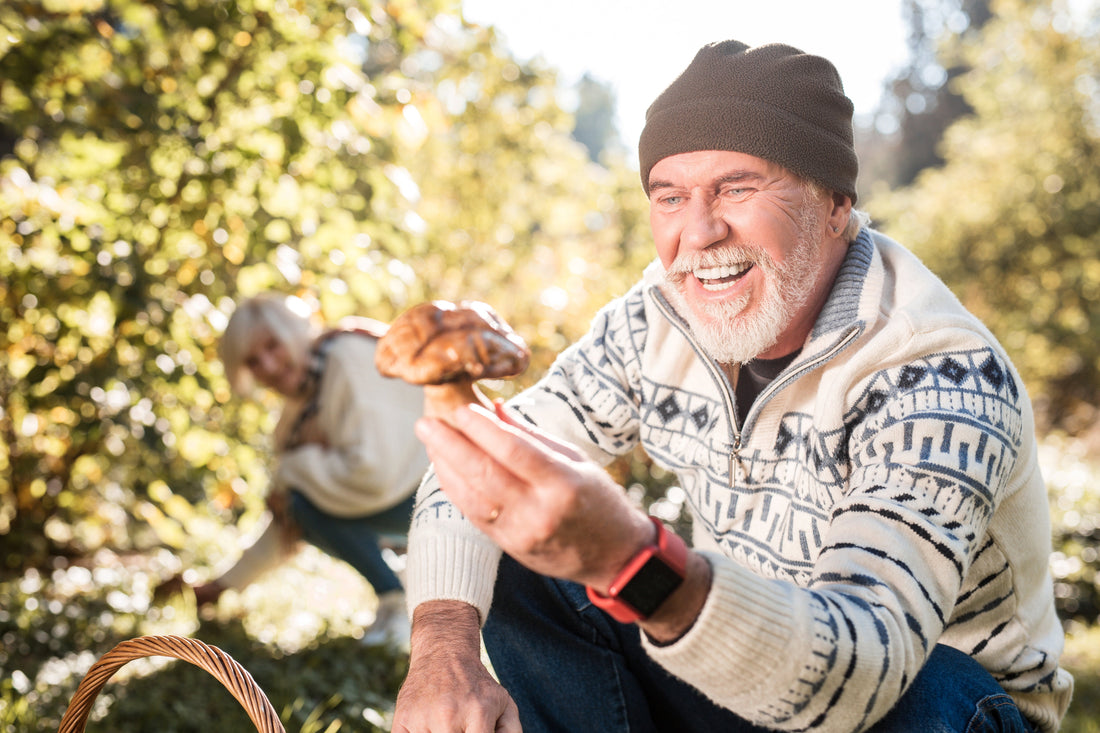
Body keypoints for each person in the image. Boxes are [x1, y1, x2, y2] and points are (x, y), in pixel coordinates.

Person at [390, 40, 1074, 732]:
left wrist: (632, 561)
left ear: (835, 203)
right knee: (520, 543)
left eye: (738, 188)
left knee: (935, 685)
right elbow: (475, 472)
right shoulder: (653, 319)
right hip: (743, 675)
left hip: (922, 701)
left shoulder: (938, 371)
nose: (700, 232)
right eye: (671, 196)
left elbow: (866, 664)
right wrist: (444, 646)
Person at [169, 293, 429, 648]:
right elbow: (290, 514)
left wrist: (295, 465)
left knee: (298, 492)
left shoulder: (348, 358)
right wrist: (224, 585)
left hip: (444, 496)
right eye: (254, 361)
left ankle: (399, 598)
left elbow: (373, 474)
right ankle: (394, 594)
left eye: (273, 346)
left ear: (293, 333)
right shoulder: (297, 414)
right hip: (403, 507)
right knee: (297, 502)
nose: (270, 366)